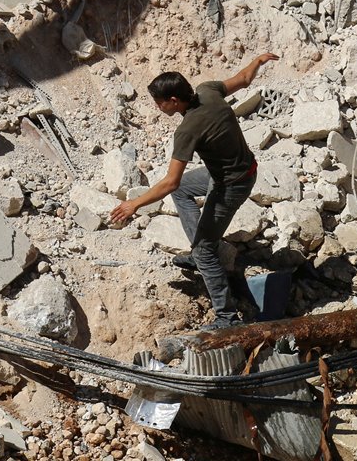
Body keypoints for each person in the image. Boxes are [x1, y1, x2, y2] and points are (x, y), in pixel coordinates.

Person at [110, 52, 279, 330]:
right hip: (237, 170)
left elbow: (170, 182)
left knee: (204, 252)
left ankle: (226, 317)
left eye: (159, 102)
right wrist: (258, 61)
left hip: (232, 184)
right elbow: (245, 79)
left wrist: (134, 205)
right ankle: (201, 248)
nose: (157, 107)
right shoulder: (207, 90)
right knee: (186, 192)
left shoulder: (187, 129)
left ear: (174, 101)